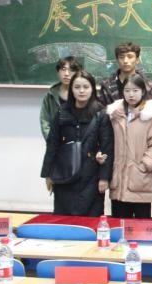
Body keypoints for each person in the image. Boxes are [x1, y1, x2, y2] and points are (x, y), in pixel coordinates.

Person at [40, 70, 111, 215]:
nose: (81, 91)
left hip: (91, 176)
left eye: (86, 87)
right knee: (63, 219)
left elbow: (108, 147)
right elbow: (52, 144)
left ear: (92, 89)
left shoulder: (101, 114)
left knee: (91, 219)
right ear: (71, 89)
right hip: (64, 173)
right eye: (77, 87)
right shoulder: (62, 112)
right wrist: (48, 173)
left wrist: (104, 177)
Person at [104, 72, 152, 219]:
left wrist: (143, 166)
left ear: (143, 91)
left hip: (141, 180)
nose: (131, 95)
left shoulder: (151, 116)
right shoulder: (115, 115)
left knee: (141, 226)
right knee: (119, 225)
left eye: (135, 90)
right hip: (119, 181)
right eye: (127, 90)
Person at [98, 41, 152, 106]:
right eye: (121, 57)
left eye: (130, 57)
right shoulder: (107, 85)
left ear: (137, 60)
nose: (125, 61)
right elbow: (101, 108)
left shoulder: (148, 85)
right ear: (117, 60)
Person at [40, 56, 81, 139]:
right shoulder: (50, 95)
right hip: (56, 142)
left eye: (71, 70)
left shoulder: (82, 93)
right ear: (58, 72)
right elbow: (45, 121)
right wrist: (52, 141)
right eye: (63, 69)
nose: (66, 74)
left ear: (77, 73)